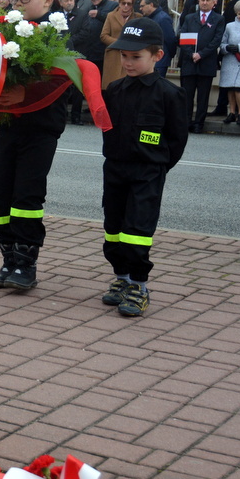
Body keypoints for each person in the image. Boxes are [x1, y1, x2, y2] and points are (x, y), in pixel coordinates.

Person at [100, 17, 188, 316]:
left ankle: (138, 284)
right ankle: (121, 278)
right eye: (124, 56)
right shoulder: (115, 90)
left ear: (157, 55)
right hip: (115, 169)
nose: (127, 62)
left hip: (147, 172)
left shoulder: (169, 94)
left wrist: (156, 165)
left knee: (137, 231)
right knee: (113, 229)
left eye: (136, 57)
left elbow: (176, 140)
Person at [0, 0, 68, 292]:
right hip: (8, 125)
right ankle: (8, 257)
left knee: (27, 196)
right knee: (0, 194)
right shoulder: (6, 30)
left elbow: (63, 82)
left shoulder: (58, 34)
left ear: (48, 0)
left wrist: (27, 93)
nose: (18, 3)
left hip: (40, 129)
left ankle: (26, 262)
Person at [177, 0, 225, 133]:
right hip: (189, 62)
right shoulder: (189, 18)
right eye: (202, 0)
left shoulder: (219, 19)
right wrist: (191, 54)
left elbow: (216, 40)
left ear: (213, 2)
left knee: (203, 97)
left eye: (207, 0)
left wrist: (201, 54)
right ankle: (186, 123)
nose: (204, 3)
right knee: (187, 96)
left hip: (206, 63)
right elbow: (182, 37)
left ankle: (199, 124)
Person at [100, 0, 142, 90]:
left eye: (129, 4)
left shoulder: (138, 17)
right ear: (119, 3)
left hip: (130, 56)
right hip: (113, 56)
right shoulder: (111, 15)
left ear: (132, 5)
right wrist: (119, 43)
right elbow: (104, 36)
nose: (126, 6)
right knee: (111, 87)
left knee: (128, 87)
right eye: (123, 3)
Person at [138, 0, 176, 78]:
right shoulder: (148, 18)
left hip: (160, 61)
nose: (140, 9)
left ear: (151, 5)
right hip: (150, 59)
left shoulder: (163, 19)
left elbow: (170, 40)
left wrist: (169, 55)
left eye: (142, 6)